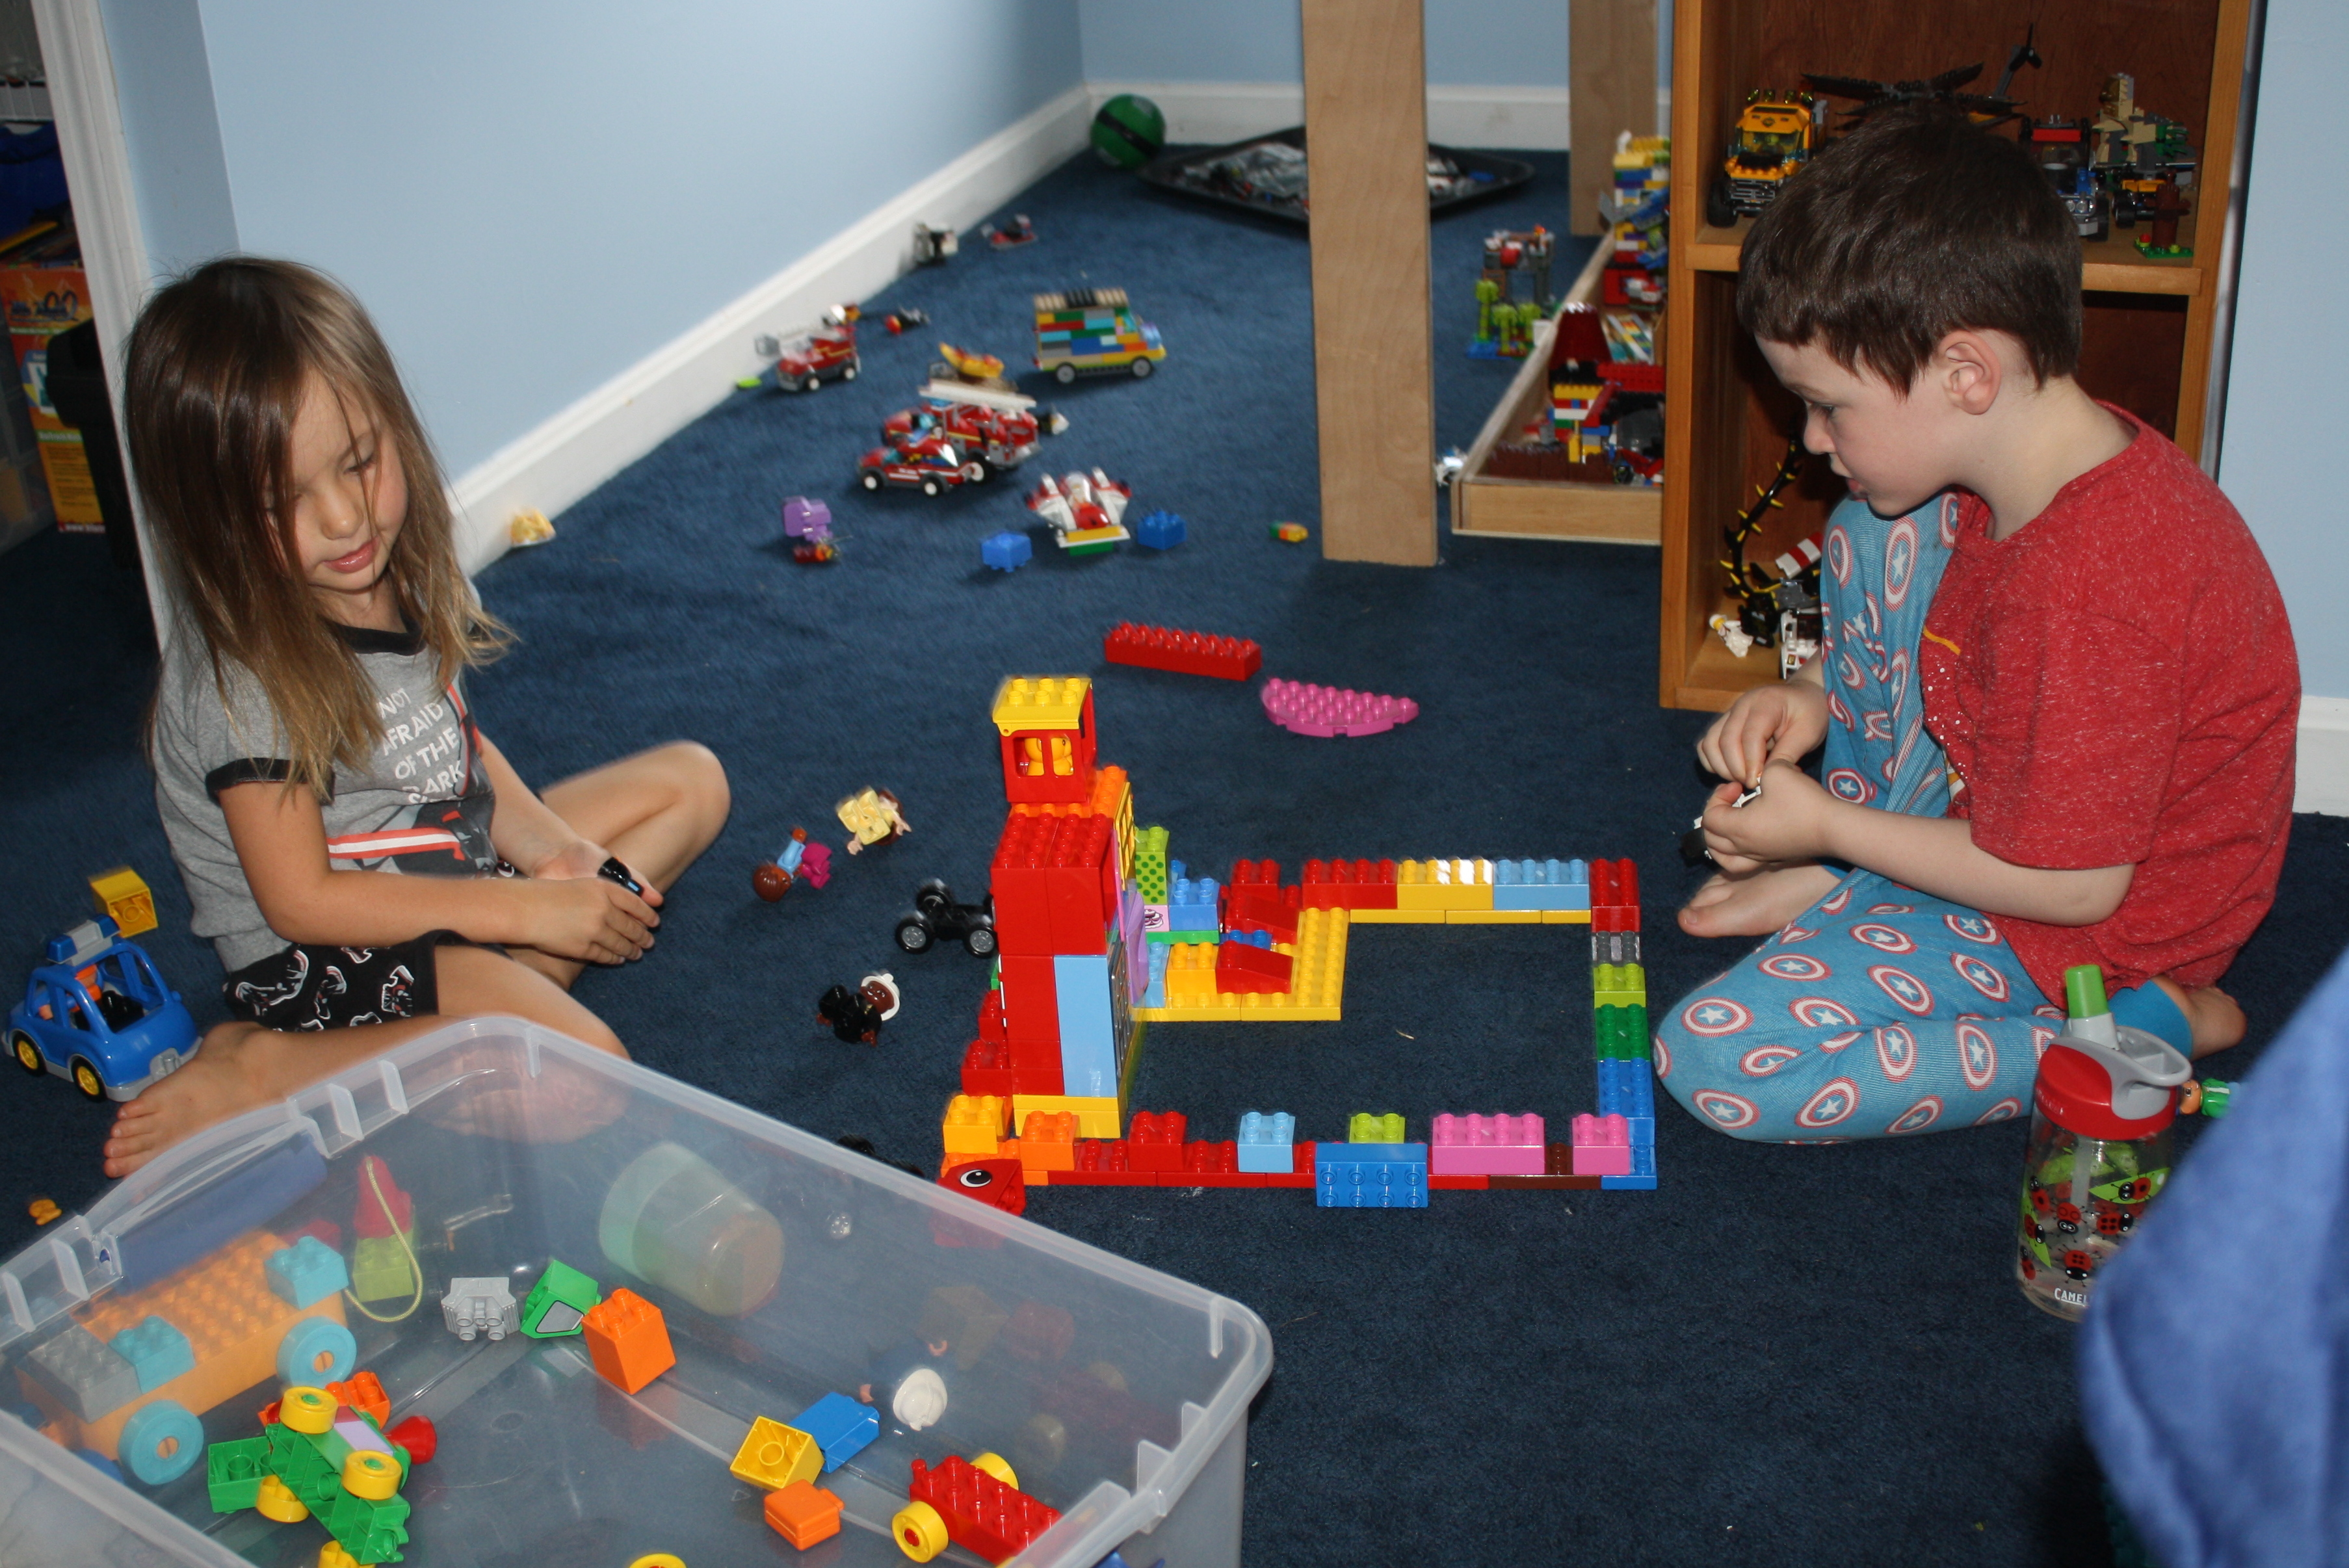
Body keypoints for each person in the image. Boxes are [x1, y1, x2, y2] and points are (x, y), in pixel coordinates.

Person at [1659, 105, 2297, 1142]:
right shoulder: (2034, 459)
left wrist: (1825, 825)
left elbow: (2076, 889)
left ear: (1965, 375)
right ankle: (1864, 878)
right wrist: (1814, 694)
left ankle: (2142, 1030)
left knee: (1720, 1060)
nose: (1810, 438)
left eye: (1827, 406)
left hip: (2083, 932)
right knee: (1874, 528)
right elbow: (1969, 646)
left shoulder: (2091, 590)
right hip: (2019, 813)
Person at [103, 257, 729, 1177]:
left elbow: (448, 741)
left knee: (693, 782)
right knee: (588, 1080)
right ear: (214, 523)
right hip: (325, 955)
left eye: (360, 462)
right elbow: (302, 901)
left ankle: (497, 995)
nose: (344, 518)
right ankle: (271, 1071)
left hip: (441, 863)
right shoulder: (247, 678)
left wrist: (553, 853)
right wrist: (525, 906)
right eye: (281, 502)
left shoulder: (391, 562)